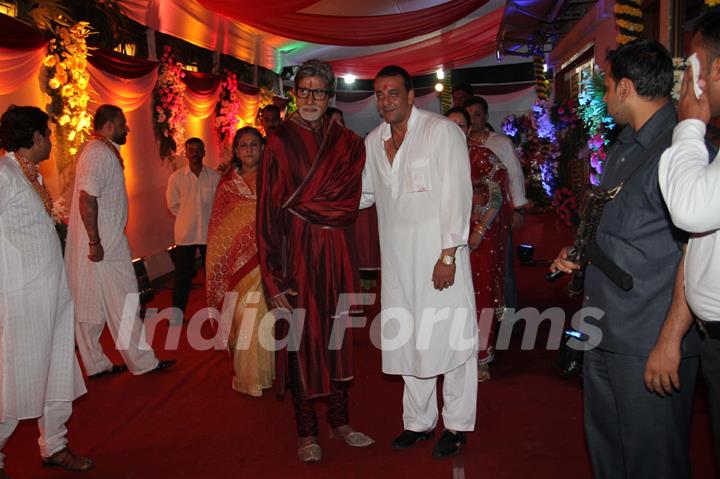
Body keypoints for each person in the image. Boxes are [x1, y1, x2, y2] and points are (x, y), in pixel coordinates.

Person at [550, 39, 701, 479]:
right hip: (605, 326)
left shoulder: (681, 153)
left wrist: (670, 342)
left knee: (653, 460)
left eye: (608, 83)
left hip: (648, 339)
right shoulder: (624, 146)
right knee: (608, 450)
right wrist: (581, 252)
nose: (604, 94)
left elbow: (697, 256)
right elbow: (618, 225)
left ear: (625, 88)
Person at [257, 59, 373, 463]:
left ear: (329, 97)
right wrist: (273, 281)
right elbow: (269, 214)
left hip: (338, 251)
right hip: (297, 255)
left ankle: (340, 421)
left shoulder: (348, 144)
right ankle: (306, 430)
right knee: (301, 339)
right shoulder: (278, 141)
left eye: (318, 92)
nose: (309, 98)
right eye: (303, 90)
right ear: (294, 94)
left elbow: (348, 206)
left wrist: (305, 205)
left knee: (340, 336)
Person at [361, 65, 478, 458]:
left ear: (412, 95)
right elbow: (361, 196)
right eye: (378, 94)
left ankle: (458, 425)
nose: (385, 101)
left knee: (452, 340)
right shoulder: (373, 142)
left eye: (393, 93)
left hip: (439, 260)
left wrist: (448, 254)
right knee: (410, 339)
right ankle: (418, 421)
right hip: (396, 263)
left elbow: (458, 195)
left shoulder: (442, 132)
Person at [0, 105, 93, 473]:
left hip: (52, 291)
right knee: (19, 375)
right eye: (49, 134)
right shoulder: (5, 174)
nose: (52, 140)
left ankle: (54, 444)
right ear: (35, 136)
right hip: (23, 297)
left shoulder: (31, 174)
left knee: (58, 368)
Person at [66, 104, 176, 378]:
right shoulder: (99, 153)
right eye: (123, 123)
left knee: (91, 304)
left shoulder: (99, 150)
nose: (127, 128)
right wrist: (95, 242)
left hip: (100, 243)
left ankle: (96, 364)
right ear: (110, 124)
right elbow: (86, 198)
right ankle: (142, 362)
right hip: (104, 246)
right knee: (124, 301)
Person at [657, 11, 720, 472]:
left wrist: (689, 124)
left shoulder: (697, 131)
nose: (689, 81)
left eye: (693, 67)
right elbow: (699, 243)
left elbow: (689, 210)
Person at [206, 127, 275, 397]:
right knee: (239, 316)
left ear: (262, 148)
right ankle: (246, 375)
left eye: (254, 144)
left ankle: (257, 378)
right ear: (236, 151)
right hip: (235, 262)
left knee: (256, 314)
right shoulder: (227, 185)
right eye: (243, 145)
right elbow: (219, 225)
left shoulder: (272, 179)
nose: (248, 149)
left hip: (264, 260)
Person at [446, 106, 512, 382]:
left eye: (460, 125)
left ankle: (482, 357)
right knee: (449, 297)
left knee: (480, 295)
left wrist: (480, 231)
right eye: (450, 125)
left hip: (479, 238)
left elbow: (495, 197)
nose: (455, 130)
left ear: (469, 128)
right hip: (446, 237)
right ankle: (453, 353)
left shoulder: (482, 156)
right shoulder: (436, 160)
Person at [464, 96, 526, 311]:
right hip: (467, 216)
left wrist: (518, 208)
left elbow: (515, 176)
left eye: (478, 114)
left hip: (496, 214)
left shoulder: (500, 142)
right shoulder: (459, 144)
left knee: (502, 265)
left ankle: (509, 318)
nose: (473, 119)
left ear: (486, 116)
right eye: (469, 115)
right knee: (474, 268)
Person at [166, 138, 220, 322]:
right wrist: (187, 218)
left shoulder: (214, 177)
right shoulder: (177, 178)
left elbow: (219, 204)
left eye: (198, 150)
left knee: (212, 276)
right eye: (191, 150)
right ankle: (177, 316)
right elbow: (173, 205)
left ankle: (217, 314)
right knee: (182, 277)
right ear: (186, 153)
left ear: (204, 152)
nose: (195, 153)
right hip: (185, 235)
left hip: (208, 234)